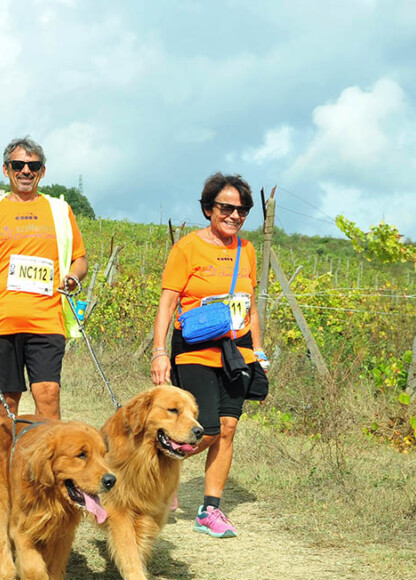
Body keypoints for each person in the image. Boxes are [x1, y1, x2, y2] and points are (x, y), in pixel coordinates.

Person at [150, 172, 266, 539]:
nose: (234, 215)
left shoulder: (247, 250)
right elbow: (168, 301)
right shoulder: (187, 248)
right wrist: (158, 351)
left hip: (238, 350)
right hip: (195, 348)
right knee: (209, 429)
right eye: (226, 208)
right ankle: (156, 466)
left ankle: (210, 510)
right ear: (208, 209)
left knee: (228, 429)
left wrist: (259, 351)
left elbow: (251, 306)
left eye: (242, 210)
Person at [0, 136, 87, 432]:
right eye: (18, 165)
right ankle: (4, 459)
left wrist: (74, 277)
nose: (25, 171)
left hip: (47, 320)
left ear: (42, 171)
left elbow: (80, 259)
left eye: (33, 166)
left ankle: (49, 459)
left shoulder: (60, 210)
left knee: (48, 394)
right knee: (6, 402)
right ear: (6, 169)